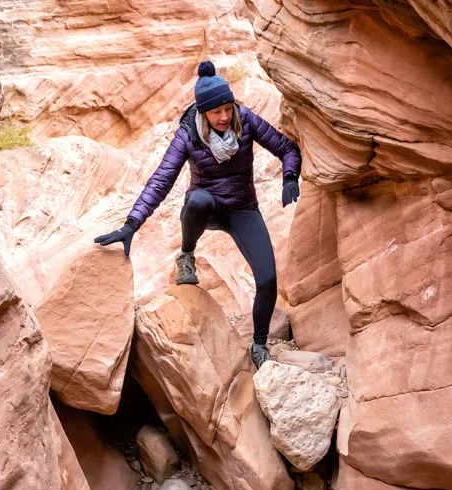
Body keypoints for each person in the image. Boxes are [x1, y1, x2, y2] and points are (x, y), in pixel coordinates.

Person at [94, 60, 301, 369]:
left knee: (268, 278)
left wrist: (289, 177)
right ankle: (187, 255)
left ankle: (259, 345)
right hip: (208, 208)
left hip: (243, 207)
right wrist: (131, 224)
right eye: (216, 112)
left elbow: (286, 148)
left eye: (227, 109)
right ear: (203, 112)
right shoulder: (188, 134)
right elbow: (162, 179)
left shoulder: (245, 120)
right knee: (198, 201)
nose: (224, 117)